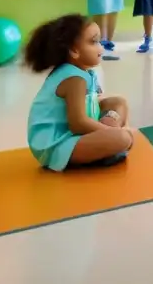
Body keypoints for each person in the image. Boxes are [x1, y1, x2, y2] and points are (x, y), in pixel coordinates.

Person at [24, 14, 134, 170]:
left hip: (73, 134)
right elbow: (78, 123)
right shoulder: (74, 78)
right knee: (123, 138)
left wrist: (108, 124)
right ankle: (107, 144)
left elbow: (94, 102)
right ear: (74, 50)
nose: (100, 47)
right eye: (93, 42)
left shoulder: (82, 72)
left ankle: (107, 140)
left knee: (118, 102)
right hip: (56, 146)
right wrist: (111, 132)